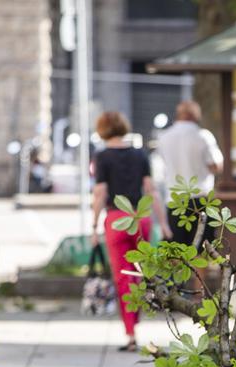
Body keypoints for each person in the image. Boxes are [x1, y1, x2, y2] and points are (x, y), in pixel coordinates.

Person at [91, 111, 170, 352]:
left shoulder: (102, 157)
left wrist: (94, 226)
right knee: (138, 274)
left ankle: (130, 333)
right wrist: (163, 224)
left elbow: (100, 192)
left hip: (116, 219)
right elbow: (151, 190)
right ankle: (135, 321)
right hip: (141, 217)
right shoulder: (140, 154)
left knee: (122, 278)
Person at [156, 100, 224, 248]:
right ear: (196, 115)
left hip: (175, 199)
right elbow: (217, 165)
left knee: (176, 251)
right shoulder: (203, 136)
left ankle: (180, 272)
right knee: (202, 249)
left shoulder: (164, 137)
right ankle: (199, 273)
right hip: (201, 199)